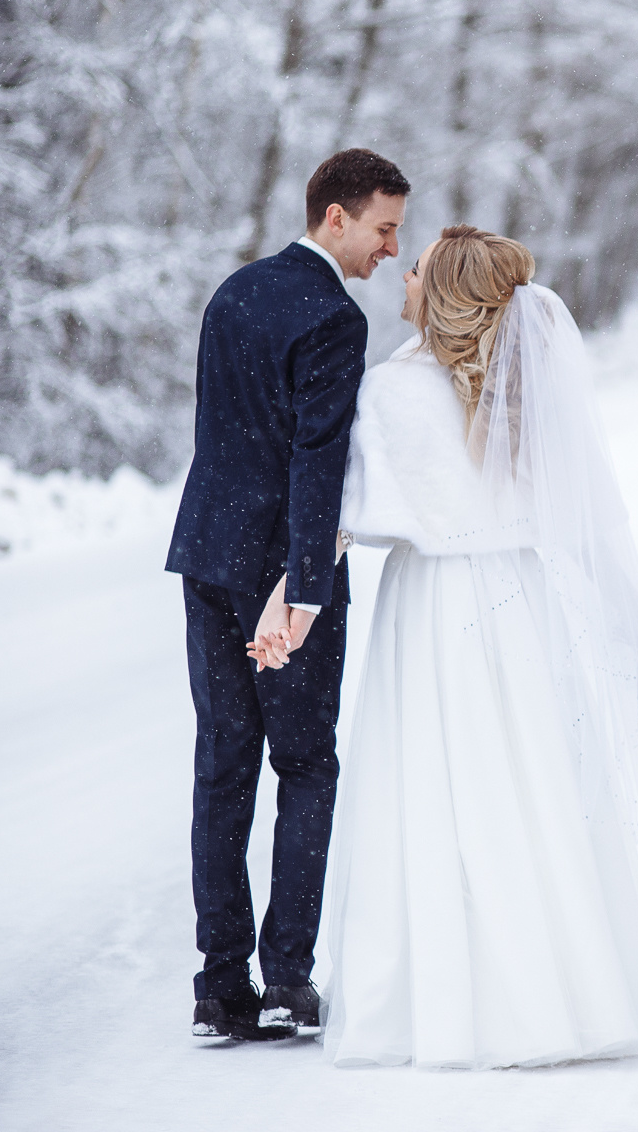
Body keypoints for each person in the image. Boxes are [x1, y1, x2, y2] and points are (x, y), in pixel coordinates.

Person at [250, 224, 638, 1069]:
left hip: (433, 608)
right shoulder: (526, 395)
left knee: (436, 795)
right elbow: (582, 524)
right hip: (520, 602)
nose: (402, 279)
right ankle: (569, 998)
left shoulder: (391, 393)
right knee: (528, 789)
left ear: (443, 293)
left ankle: (445, 1008)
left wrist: (285, 608)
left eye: (415, 272)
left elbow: (337, 521)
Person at [166, 149, 410, 1041]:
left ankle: (219, 984)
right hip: (284, 574)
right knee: (305, 764)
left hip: (207, 555)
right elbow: (316, 463)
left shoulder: (233, 292)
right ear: (335, 217)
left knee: (222, 764)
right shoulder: (332, 318)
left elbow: (222, 433)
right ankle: (289, 978)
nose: (392, 248)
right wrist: (304, 589)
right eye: (384, 228)